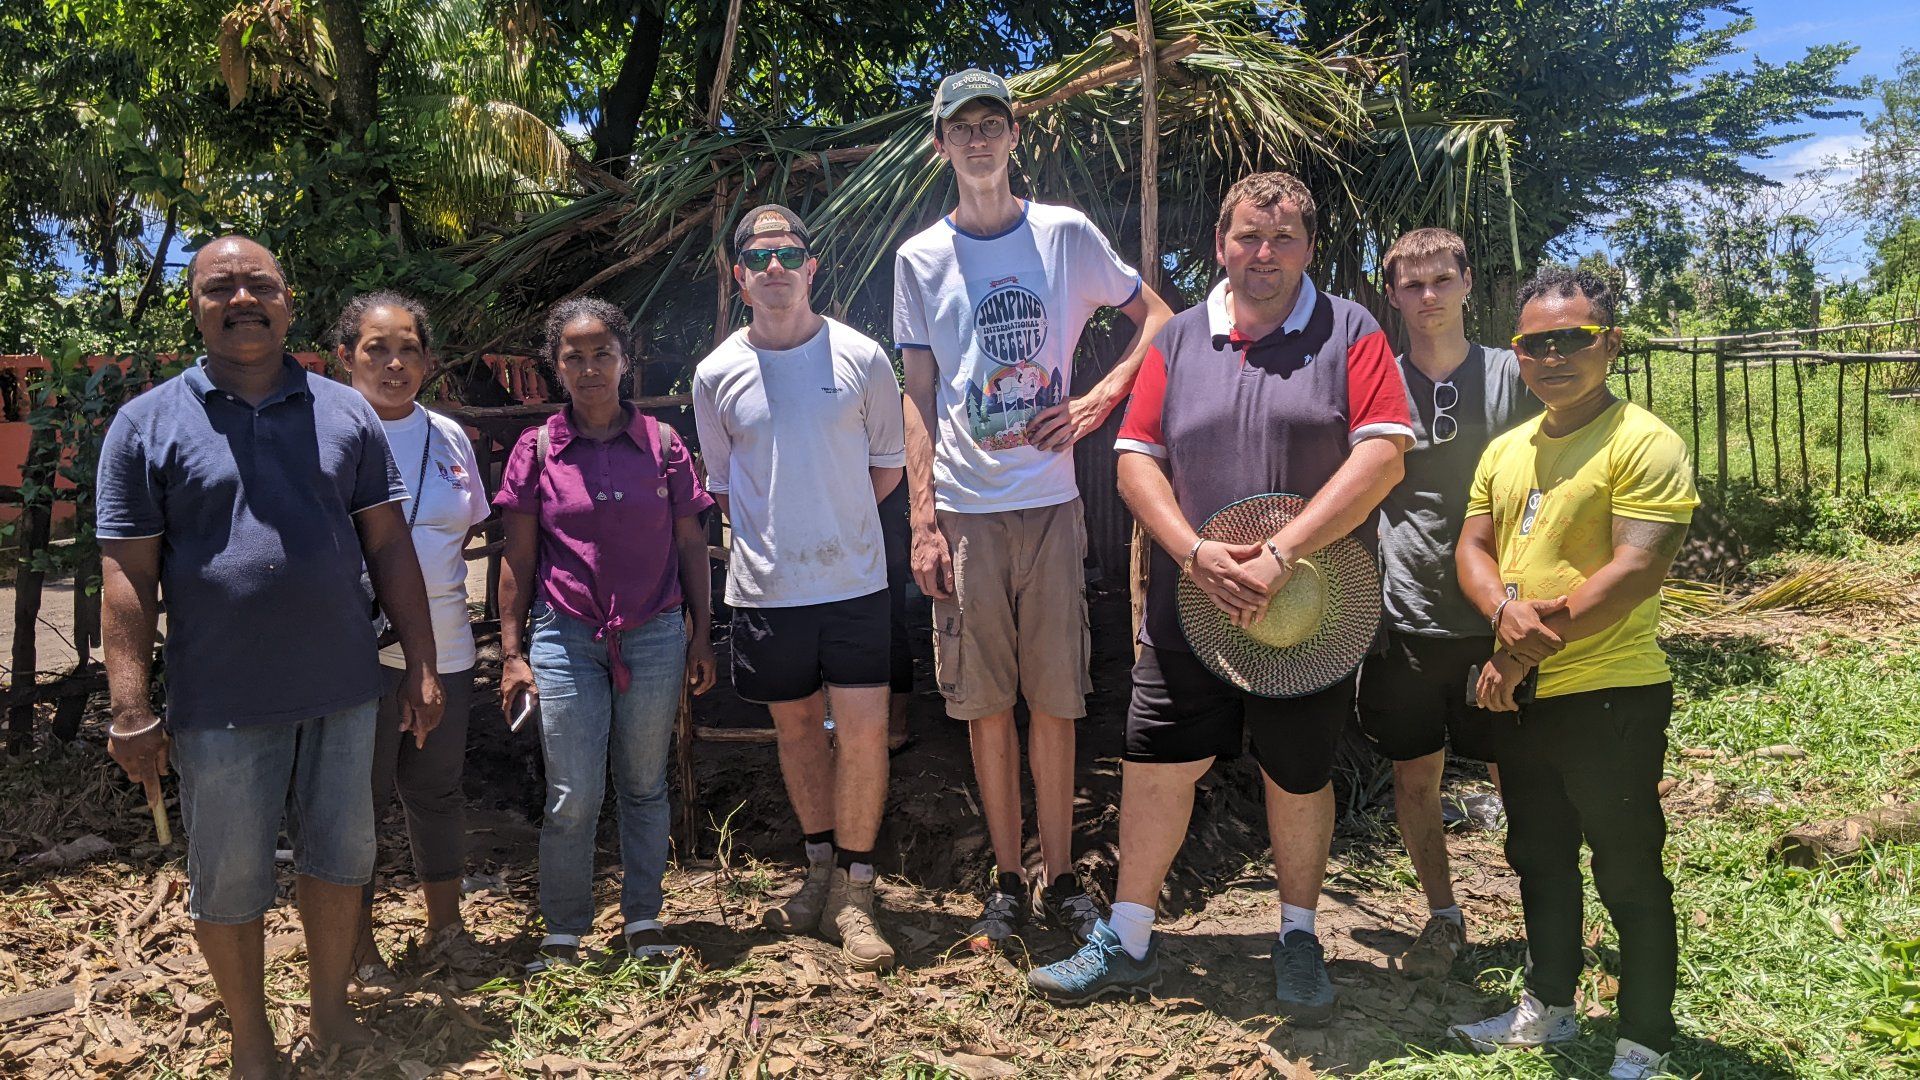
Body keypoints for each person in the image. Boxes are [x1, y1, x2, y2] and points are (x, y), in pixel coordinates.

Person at [1027, 173, 1413, 1023]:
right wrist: (1193, 552)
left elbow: (1384, 454)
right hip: (1188, 605)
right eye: (1246, 237)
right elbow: (1135, 458)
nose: (1262, 255)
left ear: (1308, 248)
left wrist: (1282, 554)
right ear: (1219, 244)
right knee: (1155, 761)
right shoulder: (1177, 343)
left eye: (1280, 240)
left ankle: (1298, 937)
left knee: (1298, 772)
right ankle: (1128, 939)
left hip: (1310, 613)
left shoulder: (1350, 329)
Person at [96, 235, 444, 1078]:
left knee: (338, 862)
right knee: (231, 881)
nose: (242, 299)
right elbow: (127, 577)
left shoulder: (345, 411)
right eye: (222, 288)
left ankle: (330, 1018)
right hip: (220, 702)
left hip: (342, 690)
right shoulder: (147, 425)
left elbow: (390, 547)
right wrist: (132, 704)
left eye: (260, 285)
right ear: (195, 305)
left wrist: (424, 664)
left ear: (288, 302)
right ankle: (251, 1042)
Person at [893, 68, 1174, 949]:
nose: (979, 140)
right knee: (983, 706)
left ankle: (1059, 880)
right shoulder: (919, 257)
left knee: (1056, 700)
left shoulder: (1064, 236)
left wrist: (1099, 401)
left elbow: (1159, 317)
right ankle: (1007, 883)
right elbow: (919, 391)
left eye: (993, 124)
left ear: (1015, 138)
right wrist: (922, 518)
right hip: (968, 515)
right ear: (941, 146)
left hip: (1052, 506)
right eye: (961, 127)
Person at [1447, 266, 1695, 1080]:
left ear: (1610, 344)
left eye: (1572, 339)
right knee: (1538, 854)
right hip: (1526, 696)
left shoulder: (1643, 442)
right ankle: (1547, 1006)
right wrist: (1500, 621)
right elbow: (1473, 549)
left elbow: (1633, 574)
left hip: (1612, 690)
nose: (1553, 356)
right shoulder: (1507, 449)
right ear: (1519, 352)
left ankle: (1644, 1040)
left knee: (1626, 863)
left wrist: (1513, 653)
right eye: (1535, 343)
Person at [693, 204, 907, 971]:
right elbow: (724, 486)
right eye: (758, 256)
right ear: (739, 275)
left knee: (861, 735)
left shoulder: (862, 356)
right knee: (795, 733)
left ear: (812, 267)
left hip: (854, 582)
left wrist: (836, 520)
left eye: (789, 253)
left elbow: (888, 465)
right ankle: (819, 872)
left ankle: (857, 891)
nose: (774, 266)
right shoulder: (715, 374)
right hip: (767, 588)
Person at [494, 297, 717, 970]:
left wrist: (701, 634)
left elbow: (690, 543)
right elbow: (519, 558)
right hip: (565, 637)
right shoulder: (537, 450)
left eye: (602, 354)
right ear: (556, 366)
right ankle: (563, 930)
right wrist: (510, 653)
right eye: (574, 356)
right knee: (573, 791)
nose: (589, 368)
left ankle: (643, 921)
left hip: (652, 635)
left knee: (645, 783)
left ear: (624, 360)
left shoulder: (664, 445)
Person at [1361, 228, 1539, 979]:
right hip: (1407, 615)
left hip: (1498, 617)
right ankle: (1443, 916)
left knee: (1519, 773)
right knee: (1415, 775)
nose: (1428, 296)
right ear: (1392, 294)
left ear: (1468, 282)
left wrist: (1519, 614)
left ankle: (1545, 917)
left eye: (1442, 280)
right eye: (1412, 284)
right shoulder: (1378, 380)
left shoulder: (1512, 376)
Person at [332, 292, 495, 984]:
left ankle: (446, 929)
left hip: (448, 649)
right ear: (345, 357)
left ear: (428, 361)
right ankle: (356, 945)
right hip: (355, 654)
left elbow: (468, 535)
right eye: (376, 348)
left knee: (437, 791)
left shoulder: (450, 436)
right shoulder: (326, 433)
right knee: (355, 803)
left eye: (408, 349)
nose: (394, 363)